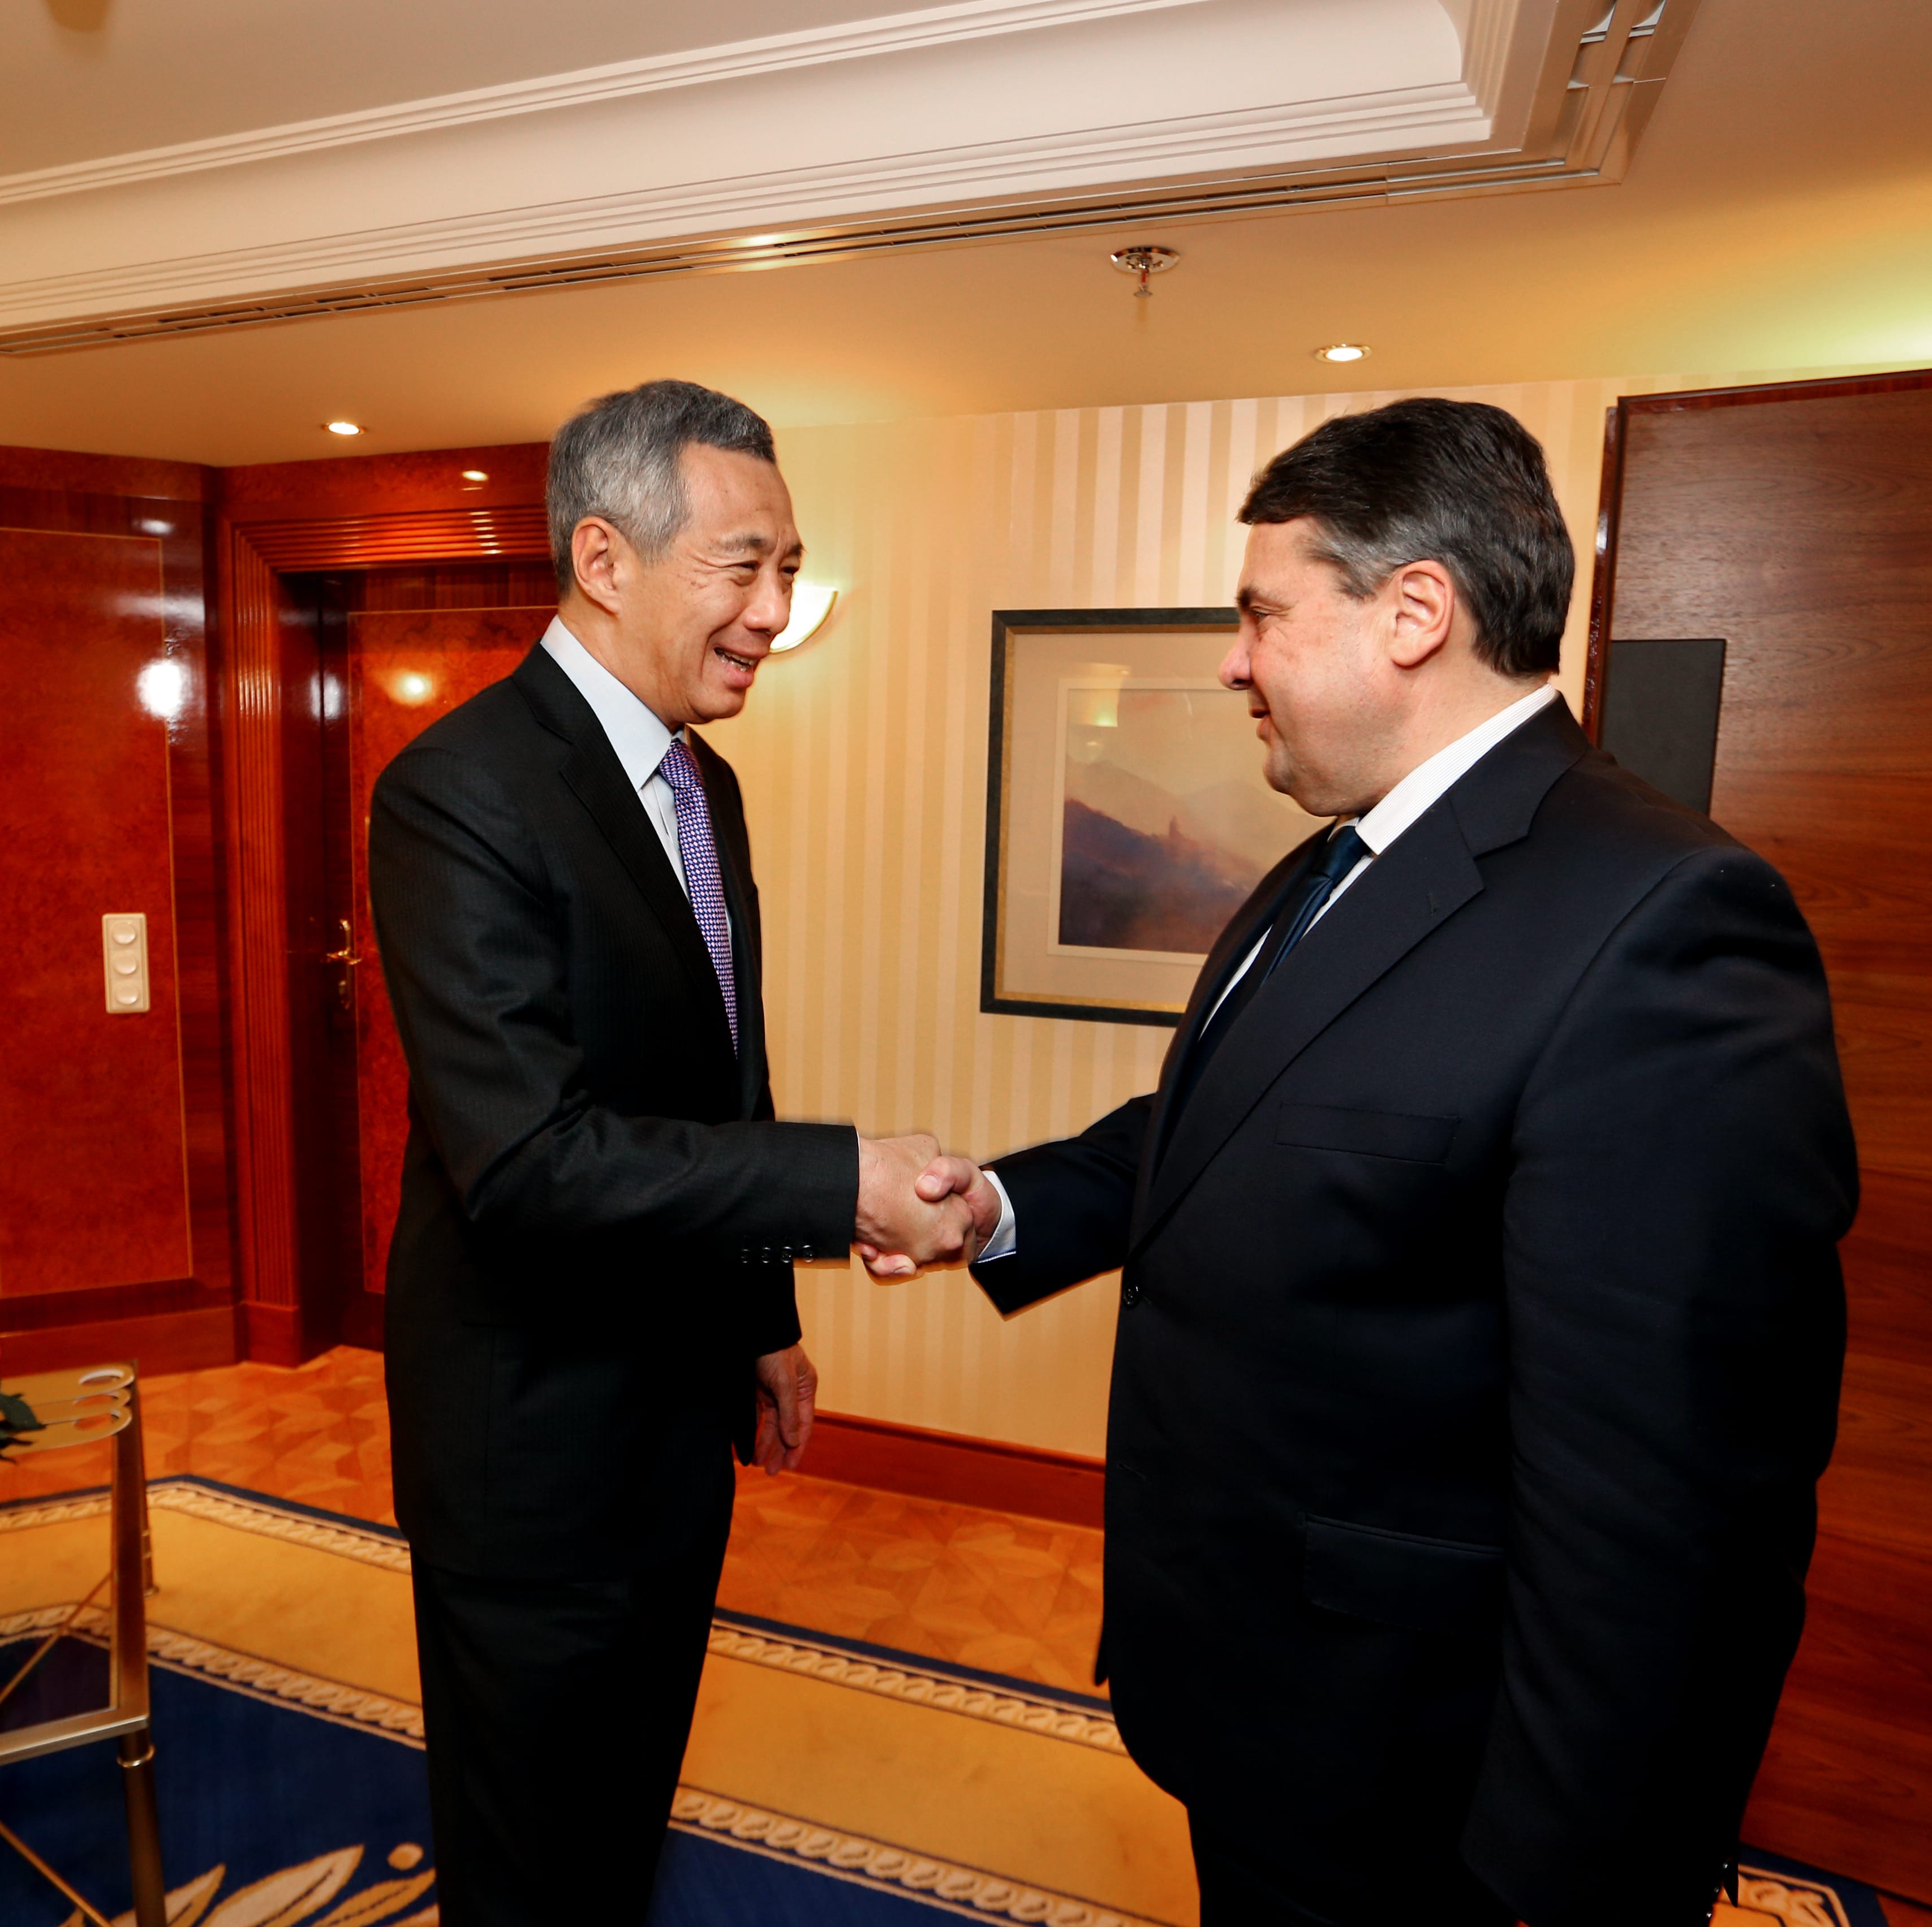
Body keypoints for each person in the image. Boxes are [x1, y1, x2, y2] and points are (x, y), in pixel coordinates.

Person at [907, 399, 1857, 1926]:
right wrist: (1008, 1206)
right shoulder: (1335, 857)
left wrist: (1565, 1873)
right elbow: (1228, 1133)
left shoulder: (1661, 918)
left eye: (1261, 612)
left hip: (1438, 1783)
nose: (1232, 659)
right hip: (1274, 1707)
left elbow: (1669, 1502)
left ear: (1416, 612)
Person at [367, 378, 967, 1927]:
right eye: (747, 565)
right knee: (529, 1863)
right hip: (531, 1448)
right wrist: (843, 1185)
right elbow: (530, 1161)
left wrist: (761, 1318)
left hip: (667, 1420)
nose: (778, 609)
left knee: (617, 1818)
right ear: (606, 559)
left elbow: (721, 1088)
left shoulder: (709, 787)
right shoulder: (457, 793)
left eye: (792, 567)